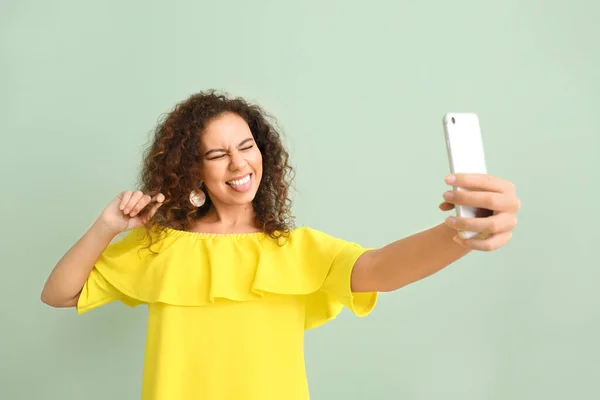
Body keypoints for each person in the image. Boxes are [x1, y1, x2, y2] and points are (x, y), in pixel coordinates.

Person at [41, 90, 521, 400]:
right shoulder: (158, 246)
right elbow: (58, 293)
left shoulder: (297, 249)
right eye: (216, 153)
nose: (237, 163)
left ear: (262, 152)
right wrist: (106, 225)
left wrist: (458, 234)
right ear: (193, 169)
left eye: (246, 146)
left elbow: (380, 269)